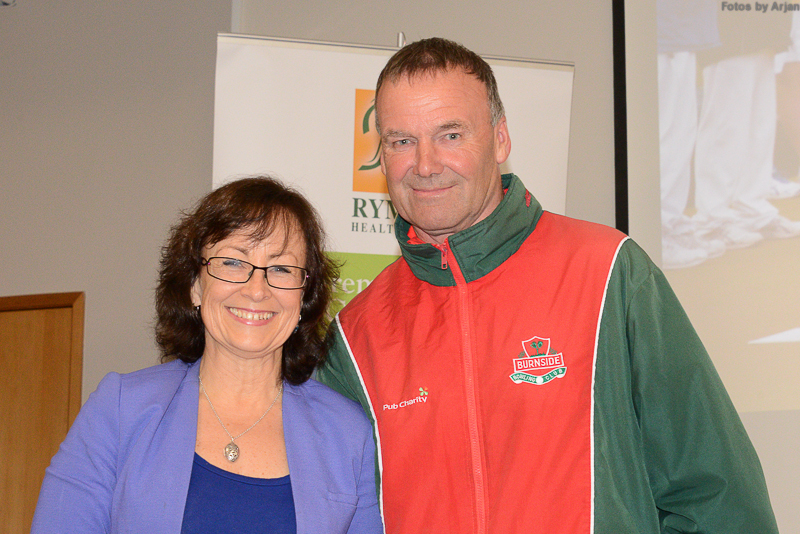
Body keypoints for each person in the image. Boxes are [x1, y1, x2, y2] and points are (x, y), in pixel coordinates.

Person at [317, 38, 778, 533]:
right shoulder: (357, 335)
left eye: (450, 135)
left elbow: (716, 495)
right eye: (401, 141)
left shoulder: (609, 272)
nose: (425, 165)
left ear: (500, 140)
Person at [32, 177, 383, 533]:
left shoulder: (348, 434)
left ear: (304, 297)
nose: (257, 289)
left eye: (281, 268)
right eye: (232, 262)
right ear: (195, 286)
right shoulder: (121, 410)